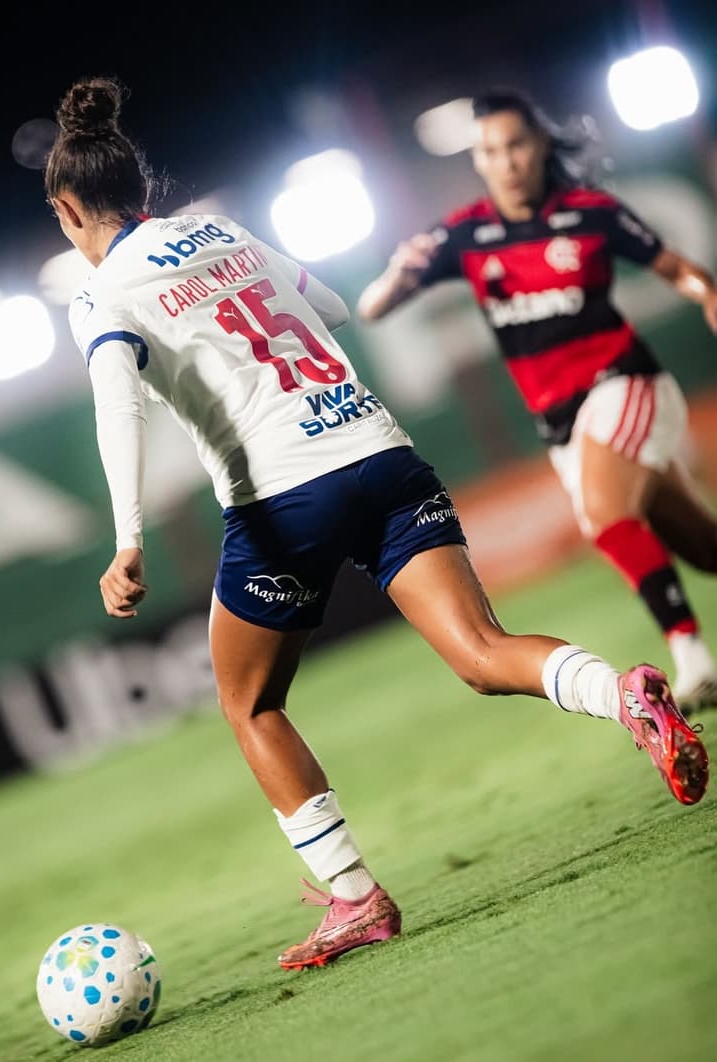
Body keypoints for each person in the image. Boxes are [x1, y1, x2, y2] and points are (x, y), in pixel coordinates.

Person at [42, 75, 708, 972]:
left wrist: (128, 540)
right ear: (141, 188)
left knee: (250, 702)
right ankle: (623, 695)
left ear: (69, 210)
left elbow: (115, 406)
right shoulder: (222, 231)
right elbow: (335, 309)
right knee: (480, 650)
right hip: (381, 453)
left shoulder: (100, 292)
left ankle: (355, 899)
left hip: (284, 497)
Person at [357, 88, 717, 717]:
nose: (507, 160)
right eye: (491, 150)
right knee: (702, 547)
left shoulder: (589, 213)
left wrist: (706, 297)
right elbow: (373, 308)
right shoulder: (466, 233)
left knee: (605, 517)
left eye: (517, 144)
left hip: (625, 384)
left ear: (540, 145)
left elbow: (681, 270)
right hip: (561, 424)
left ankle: (693, 661)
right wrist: (398, 271)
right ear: (479, 160)